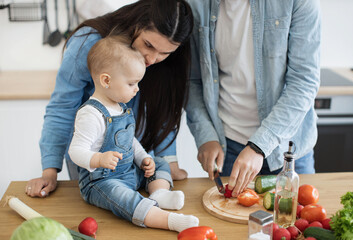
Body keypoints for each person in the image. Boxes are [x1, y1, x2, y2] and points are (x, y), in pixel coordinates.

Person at [26, 0, 193, 198]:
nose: (151, 58)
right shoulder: (87, 42)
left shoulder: (163, 59)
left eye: (165, 53)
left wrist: (168, 160)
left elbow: (165, 106)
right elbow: (62, 108)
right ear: (137, 24)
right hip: (92, 153)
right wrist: (50, 171)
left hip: (134, 148)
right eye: (148, 45)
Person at [186, 0, 321, 197]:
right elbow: (192, 80)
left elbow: (303, 82)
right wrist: (205, 135)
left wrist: (259, 145)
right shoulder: (194, 4)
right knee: (230, 224)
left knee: (296, 225)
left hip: (288, 150)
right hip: (228, 148)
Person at [67, 36, 198, 231]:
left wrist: (143, 157)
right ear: (106, 80)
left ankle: (159, 194)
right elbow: (75, 151)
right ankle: (170, 221)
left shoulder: (120, 107)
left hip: (128, 172)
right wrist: (98, 159)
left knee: (159, 162)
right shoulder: (91, 114)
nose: (137, 89)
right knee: (125, 199)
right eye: (131, 84)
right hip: (102, 182)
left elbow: (130, 140)